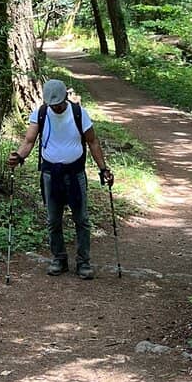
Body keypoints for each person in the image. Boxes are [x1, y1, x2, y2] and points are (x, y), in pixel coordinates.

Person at [8, 78, 114, 279]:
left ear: (65, 97)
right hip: (50, 175)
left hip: (75, 174)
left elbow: (92, 141)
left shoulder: (78, 113)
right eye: (52, 104)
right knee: (53, 220)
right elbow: (29, 141)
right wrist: (19, 156)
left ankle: (83, 262)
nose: (55, 107)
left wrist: (103, 169)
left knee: (81, 219)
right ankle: (59, 259)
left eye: (58, 103)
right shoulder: (40, 114)